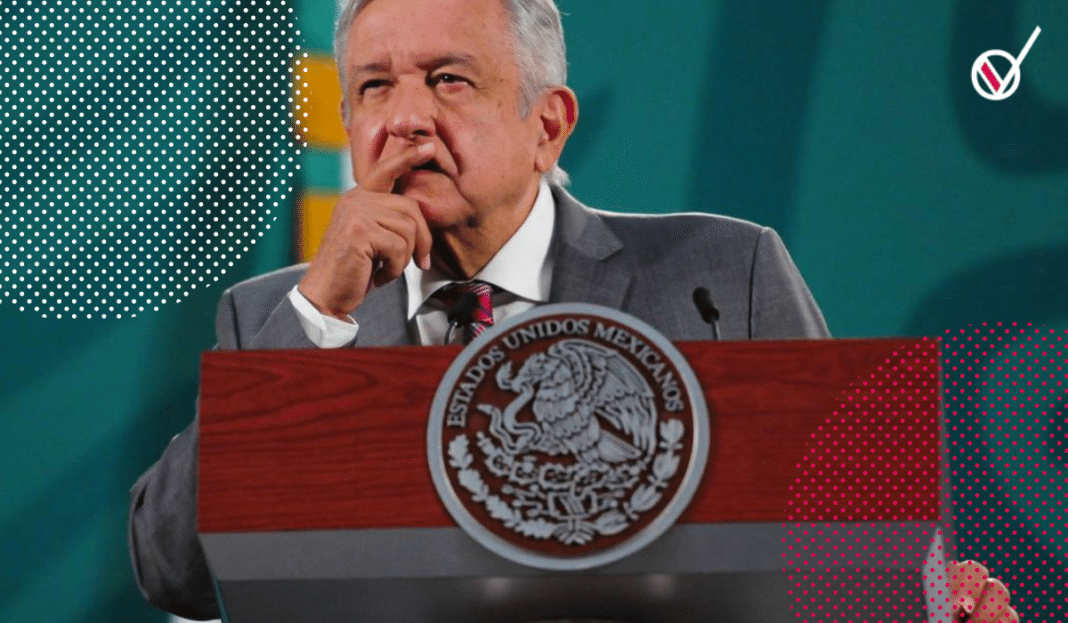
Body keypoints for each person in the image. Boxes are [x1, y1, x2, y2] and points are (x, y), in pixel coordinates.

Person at [128, 0, 1014, 621]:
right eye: (373, 88)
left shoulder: (721, 278)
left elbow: (861, 547)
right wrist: (318, 314)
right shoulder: (279, 319)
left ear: (547, 125)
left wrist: (939, 604)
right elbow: (175, 572)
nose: (405, 119)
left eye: (448, 79)